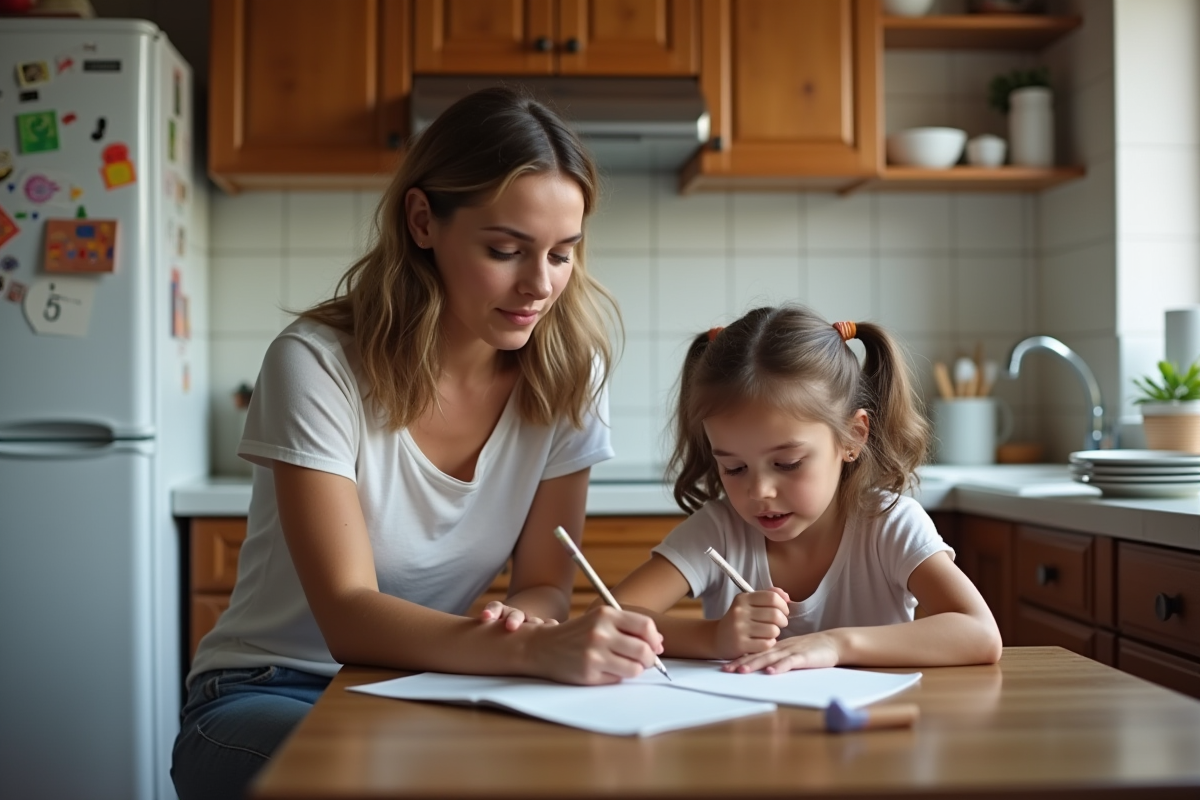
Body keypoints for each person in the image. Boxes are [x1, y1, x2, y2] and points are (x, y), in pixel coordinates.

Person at [171, 87, 666, 800]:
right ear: (423, 220)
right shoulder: (316, 362)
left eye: (563, 254)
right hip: (271, 687)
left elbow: (545, 583)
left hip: (431, 684)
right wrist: (531, 648)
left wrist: (528, 622)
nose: (539, 285)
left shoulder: (569, 375)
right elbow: (347, 613)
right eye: (505, 250)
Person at [608, 305, 1003, 674]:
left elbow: (979, 633)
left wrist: (835, 645)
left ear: (853, 436)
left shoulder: (889, 525)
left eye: (787, 463)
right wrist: (713, 637)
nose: (759, 491)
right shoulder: (718, 531)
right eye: (734, 468)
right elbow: (610, 616)